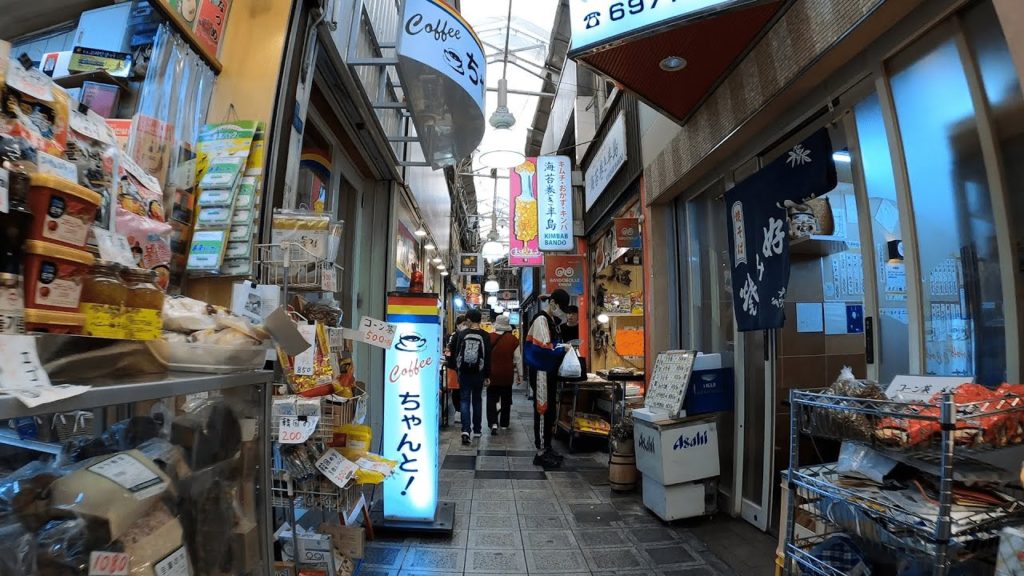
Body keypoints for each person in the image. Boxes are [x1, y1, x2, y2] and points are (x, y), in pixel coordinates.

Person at [524, 289, 571, 468]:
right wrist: (562, 349)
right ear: (553, 303)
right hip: (542, 371)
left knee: (548, 408)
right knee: (543, 408)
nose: (562, 311)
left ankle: (547, 446)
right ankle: (542, 449)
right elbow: (543, 349)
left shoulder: (550, 320)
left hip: (546, 371)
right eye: (561, 307)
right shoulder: (542, 320)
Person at [452, 309, 491, 445]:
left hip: (464, 373)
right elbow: (487, 357)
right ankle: (478, 429)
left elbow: (457, 354)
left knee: (464, 400)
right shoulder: (485, 335)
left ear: (468, 320)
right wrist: (487, 375)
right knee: (477, 400)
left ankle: (465, 430)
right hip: (478, 373)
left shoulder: (462, 334)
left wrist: (458, 371)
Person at [487, 315, 521, 434]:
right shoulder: (513, 340)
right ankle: (504, 423)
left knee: (491, 398)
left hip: (492, 373)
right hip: (507, 373)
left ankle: (493, 423)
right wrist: (520, 375)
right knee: (506, 398)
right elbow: (518, 359)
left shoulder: (489, 337)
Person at [445, 315, 467, 423]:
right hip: (454, 367)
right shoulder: (454, 335)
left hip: (462, 367)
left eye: (465, 323)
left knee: (461, 390)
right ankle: (458, 411)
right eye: (462, 323)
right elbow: (448, 350)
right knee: (456, 390)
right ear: (458, 324)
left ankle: (461, 411)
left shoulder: (466, 335)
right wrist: (448, 358)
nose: (464, 325)